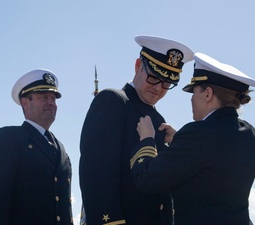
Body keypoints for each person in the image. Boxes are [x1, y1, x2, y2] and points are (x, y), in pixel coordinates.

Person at [79, 35, 194, 225]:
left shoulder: (159, 120)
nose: (158, 88)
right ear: (138, 66)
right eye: (154, 77)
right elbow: (96, 176)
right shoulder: (113, 101)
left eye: (167, 83)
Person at [131, 52, 255, 225]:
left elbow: (146, 179)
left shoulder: (197, 134)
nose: (191, 99)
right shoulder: (249, 133)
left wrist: (147, 140)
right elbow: (212, 161)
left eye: (194, 91)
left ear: (208, 94)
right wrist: (179, 143)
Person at [0, 69, 74, 225]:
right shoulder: (10, 139)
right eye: (44, 97)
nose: (51, 102)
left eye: (53, 98)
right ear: (25, 102)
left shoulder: (61, 149)